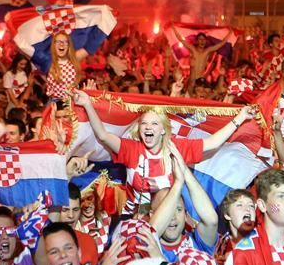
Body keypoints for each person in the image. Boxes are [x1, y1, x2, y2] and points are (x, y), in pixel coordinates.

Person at [73, 89, 253, 209]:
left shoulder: (176, 147)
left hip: (170, 219)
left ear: (163, 129)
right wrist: (88, 104)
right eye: (144, 123)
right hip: (134, 218)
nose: (148, 127)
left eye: (154, 123)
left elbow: (213, 143)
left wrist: (240, 118)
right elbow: (103, 135)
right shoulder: (131, 149)